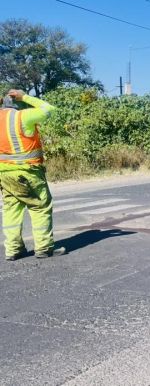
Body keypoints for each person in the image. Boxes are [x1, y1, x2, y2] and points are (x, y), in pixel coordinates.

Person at [1, 89, 64, 261]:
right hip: (28, 172)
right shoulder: (23, 116)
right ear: (19, 104)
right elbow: (50, 110)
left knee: (11, 210)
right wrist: (26, 96)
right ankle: (43, 248)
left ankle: (13, 250)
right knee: (40, 207)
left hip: (4, 175)